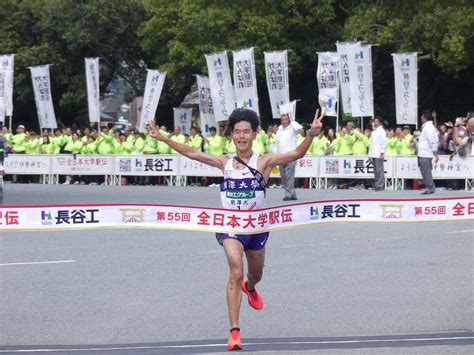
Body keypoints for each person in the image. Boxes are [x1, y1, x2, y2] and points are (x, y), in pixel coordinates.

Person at [148, 108, 324, 351]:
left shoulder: (264, 161)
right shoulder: (225, 163)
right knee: (235, 270)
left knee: (255, 274)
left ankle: (250, 288)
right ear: (231, 135)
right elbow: (192, 153)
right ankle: (234, 332)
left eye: (246, 132)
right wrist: (163, 138)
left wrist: (311, 135)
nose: (241, 136)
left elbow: (296, 153)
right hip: (230, 228)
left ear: (254, 134)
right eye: (237, 132)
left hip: (257, 228)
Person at [275, 113, 302, 201]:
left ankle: (288, 194)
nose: (284, 121)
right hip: (280, 156)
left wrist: (293, 121)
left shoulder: (293, 128)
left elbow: (300, 129)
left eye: (286, 119)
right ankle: (292, 193)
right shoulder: (279, 129)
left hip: (290, 156)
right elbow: (277, 143)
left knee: (289, 175)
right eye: (282, 120)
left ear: (289, 120)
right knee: (283, 176)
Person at [417, 111, 439, 195]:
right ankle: (429, 186)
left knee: (426, 171)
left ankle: (430, 187)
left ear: (425, 118)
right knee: (424, 171)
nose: (421, 119)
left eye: (422, 117)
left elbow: (432, 140)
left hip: (426, 153)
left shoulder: (429, 127)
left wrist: (434, 152)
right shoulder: (427, 127)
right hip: (423, 152)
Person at [368, 117, 387, 191]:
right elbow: (371, 144)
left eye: (376, 121)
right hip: (373, 153)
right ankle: (377, 184)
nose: (375, 123)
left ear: (380, 122)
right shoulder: (374, 132)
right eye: (374, 121)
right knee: (375, 170)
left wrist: (382, 153)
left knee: (379, 170)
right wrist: (370, 154)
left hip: (379, 153)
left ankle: (381, 185)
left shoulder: (381, 131)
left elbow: (383, 143)